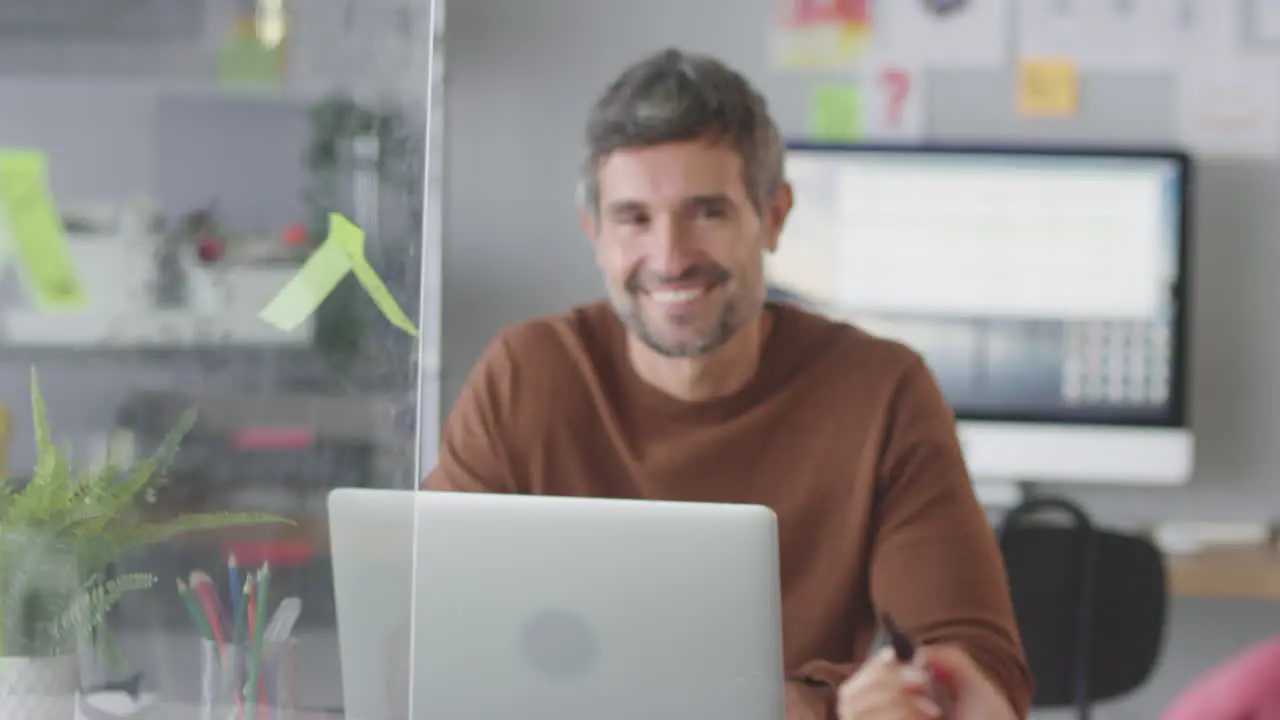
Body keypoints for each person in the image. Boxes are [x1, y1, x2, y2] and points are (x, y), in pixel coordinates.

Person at [426, 47, 1033, 720]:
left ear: (774, 217)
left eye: (706, 211)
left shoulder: (882, 392)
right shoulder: (525, 374)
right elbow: (422, 635)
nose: (669, 256)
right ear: (593, 232)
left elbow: (977, 671)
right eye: (634, 218)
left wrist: (905, 699)